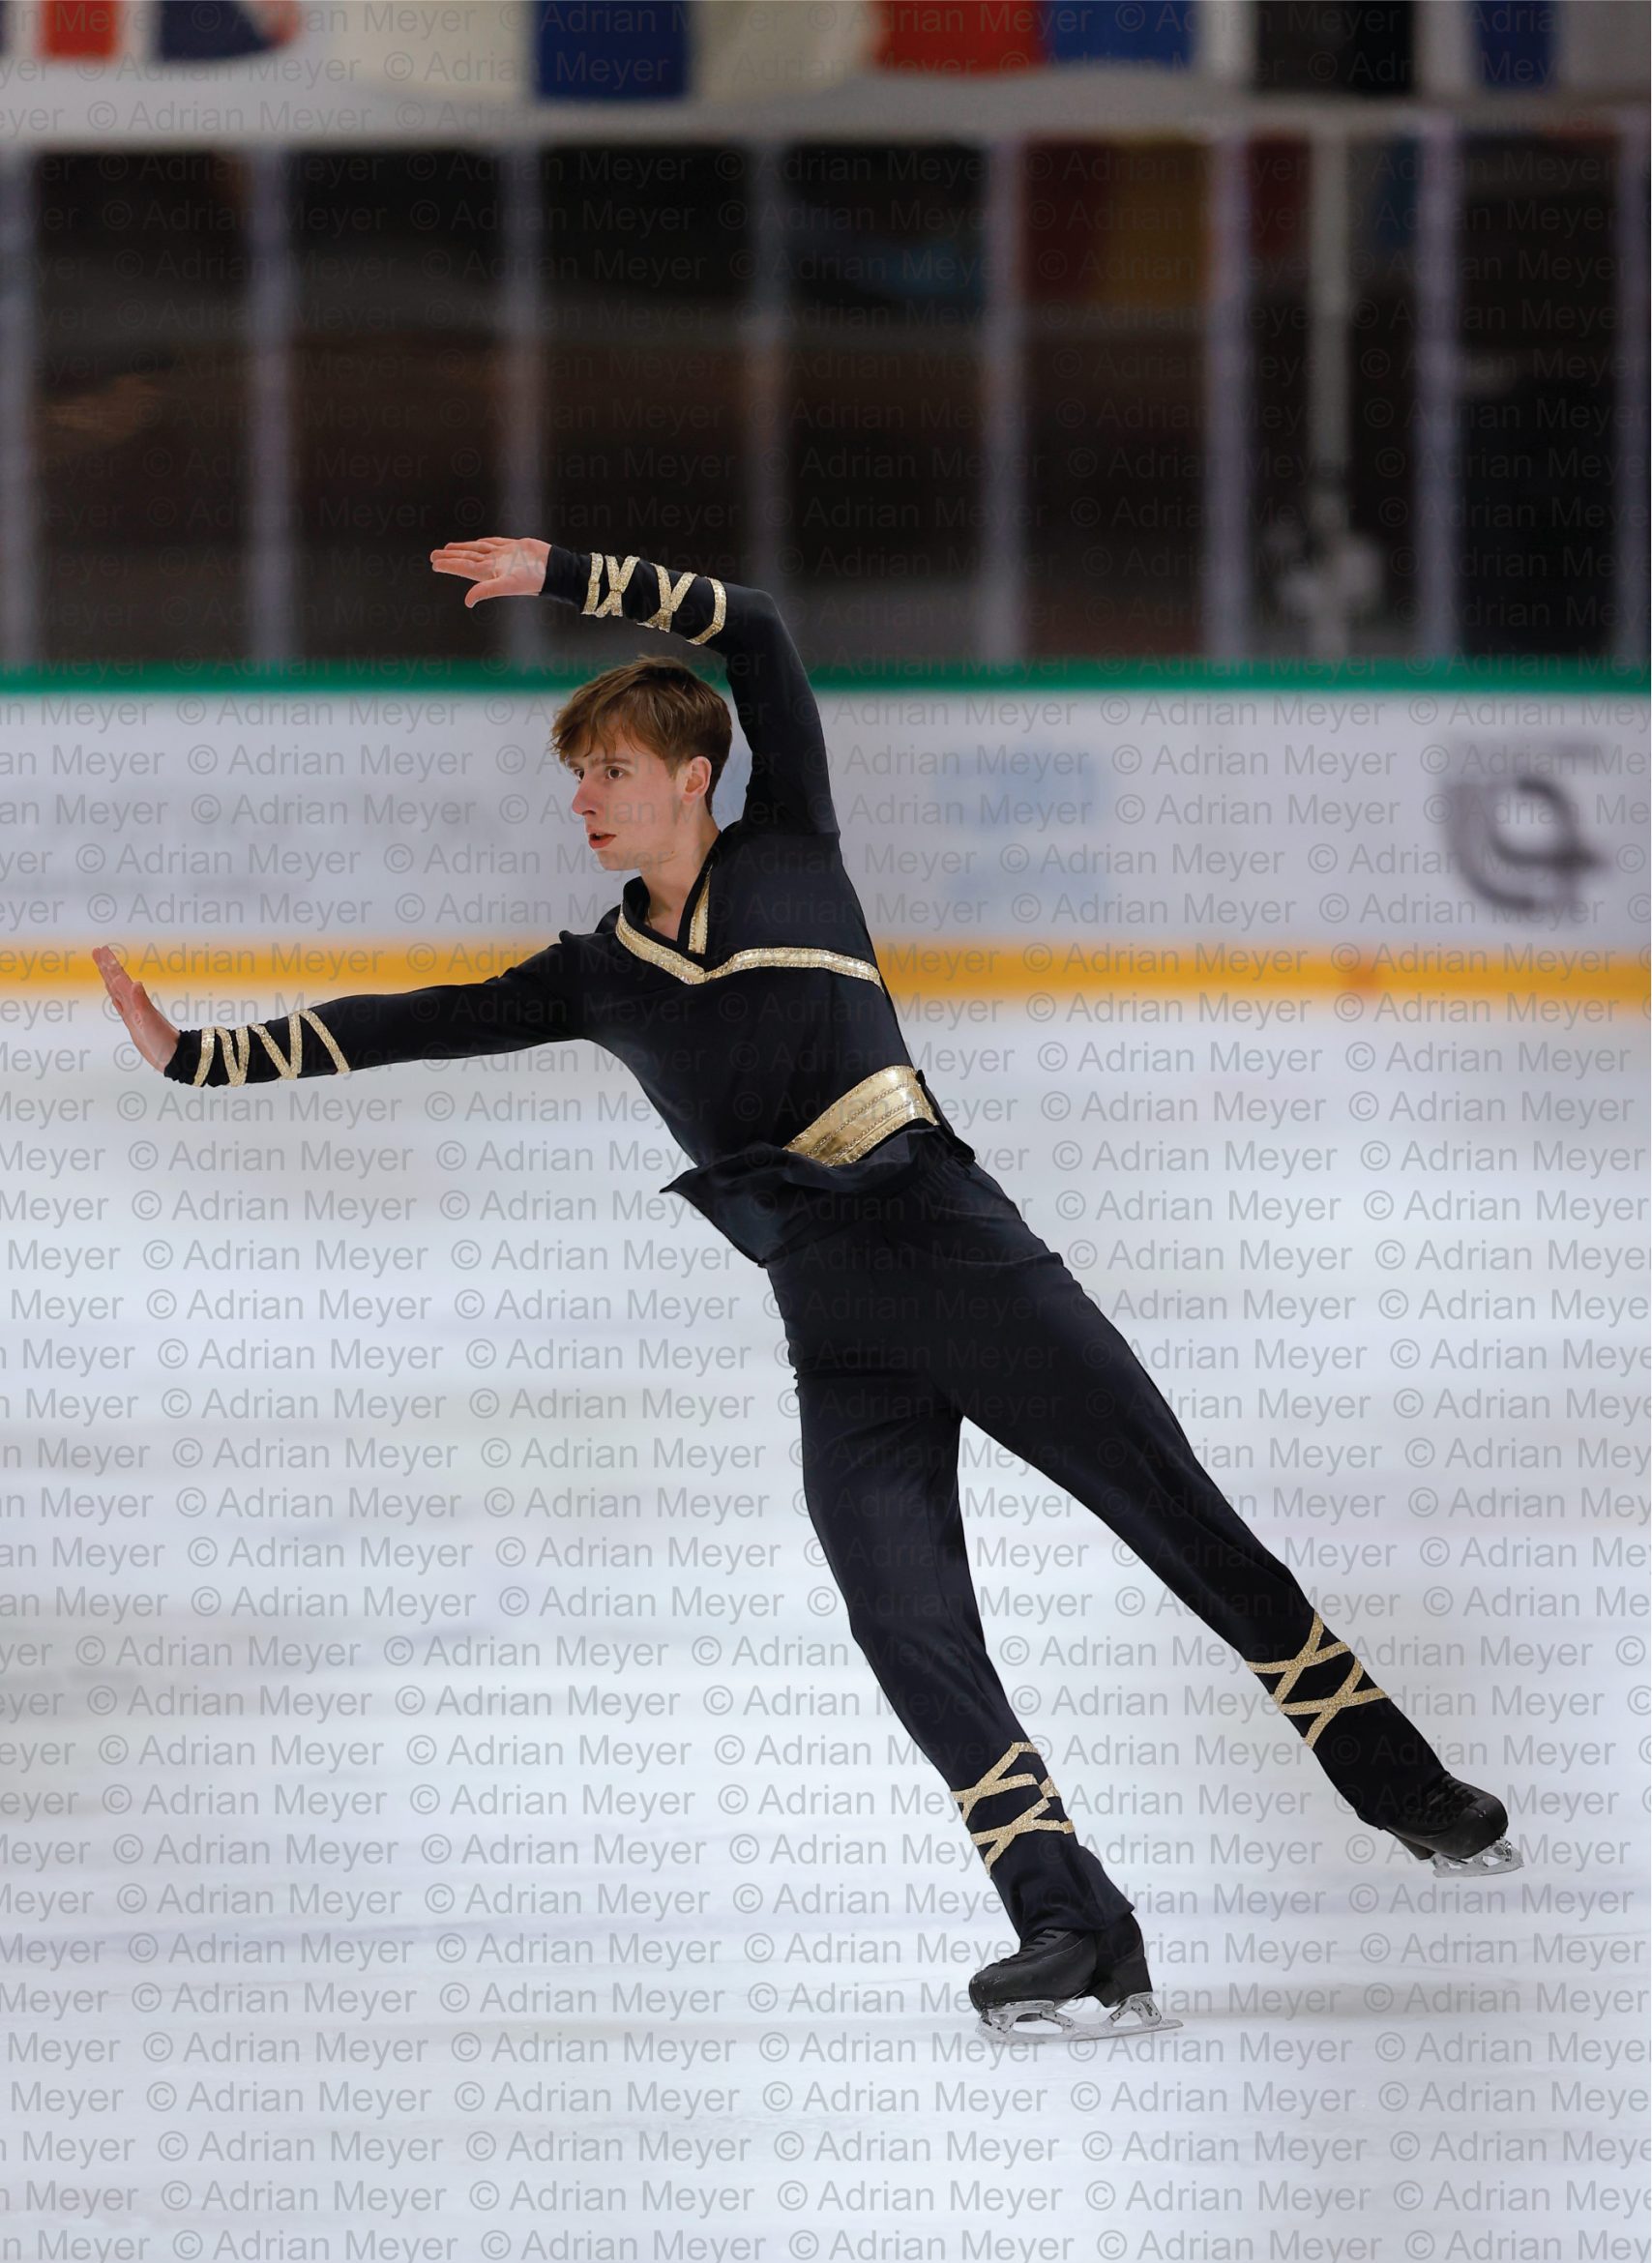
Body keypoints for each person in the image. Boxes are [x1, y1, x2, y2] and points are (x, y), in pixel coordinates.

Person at [94, 534, 1521, 2043]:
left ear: (691, 777)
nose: (583, 802)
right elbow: (418, 1020)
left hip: (961, 1251)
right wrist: (200, 1056)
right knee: (903, 1620)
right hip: (830, 1320)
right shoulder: (599, 974)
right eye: (578, 780)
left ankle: (1403, 1785)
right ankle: (1073, 1925)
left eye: (612, 773)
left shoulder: (795, 848)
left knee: (1187, 1532)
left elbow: (762, 628)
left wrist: (571, 572)